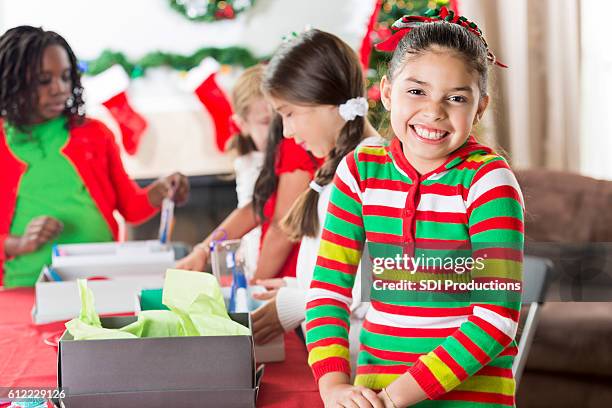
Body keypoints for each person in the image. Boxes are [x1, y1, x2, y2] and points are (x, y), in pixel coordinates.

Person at [304, 8, 525, 408]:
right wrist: (334, 386)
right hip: (373, 393)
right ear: (387, 92)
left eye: (456, 98)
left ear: (480, 107)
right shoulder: (360, 171)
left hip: (470, 398)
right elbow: (328, 293)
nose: (434, 111)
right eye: (417, 91)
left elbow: (496, 320)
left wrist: (396, 396)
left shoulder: (488, 181)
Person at [0, 26, 189, 288]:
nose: (59, 89)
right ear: (13, 81)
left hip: (102, 280)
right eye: (44, 80)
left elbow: (131, 207)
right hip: (24, 286)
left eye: (66, 77)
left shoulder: (94, 134)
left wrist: (161, 190)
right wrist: (19, 244)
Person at [250, 28, 382, 356]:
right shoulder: (340, 170)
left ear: (328, 101)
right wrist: (297, 286)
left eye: (290, 114)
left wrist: (301, 302)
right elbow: (341, 268)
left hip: (366, 371)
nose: (289, 132)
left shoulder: (374, 174)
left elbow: (381, 284)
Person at [176, 112, 318, 281]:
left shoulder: (294, 147)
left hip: (287, 279)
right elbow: (255, 209)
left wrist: (254, 285)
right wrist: (204, 249)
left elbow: (281, 229)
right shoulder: (282, 147)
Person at [226, 64, 272, 274]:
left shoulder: (290, 159)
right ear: (242, 123)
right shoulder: (245, 163)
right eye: (265, 122)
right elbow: (248, 210)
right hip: (254, 260)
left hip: (273, 260)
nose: (276, 130)